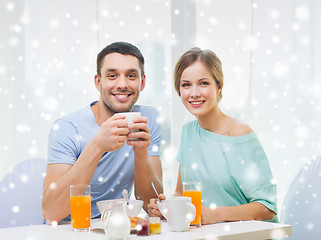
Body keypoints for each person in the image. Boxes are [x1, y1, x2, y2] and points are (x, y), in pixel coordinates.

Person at [147, 47, 278, 224]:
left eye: (203, 83)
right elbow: (181, 193)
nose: (194, 93)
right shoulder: (188, 132)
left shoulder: (240, 134)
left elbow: (267, 208)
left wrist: (215, 215)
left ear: (218, 86)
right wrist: (165, 207)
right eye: (186, 84)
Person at [42, 41, 163, 224]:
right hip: (69, 230)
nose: (122, 84)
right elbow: (51, 213)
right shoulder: (67, 128)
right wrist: (97, 145)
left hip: (116, 227)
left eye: (131, 75)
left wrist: (141, 152)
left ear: (142, 82)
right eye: (112, 75)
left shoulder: (147, 119)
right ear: (98, 82)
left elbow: (151, 205)